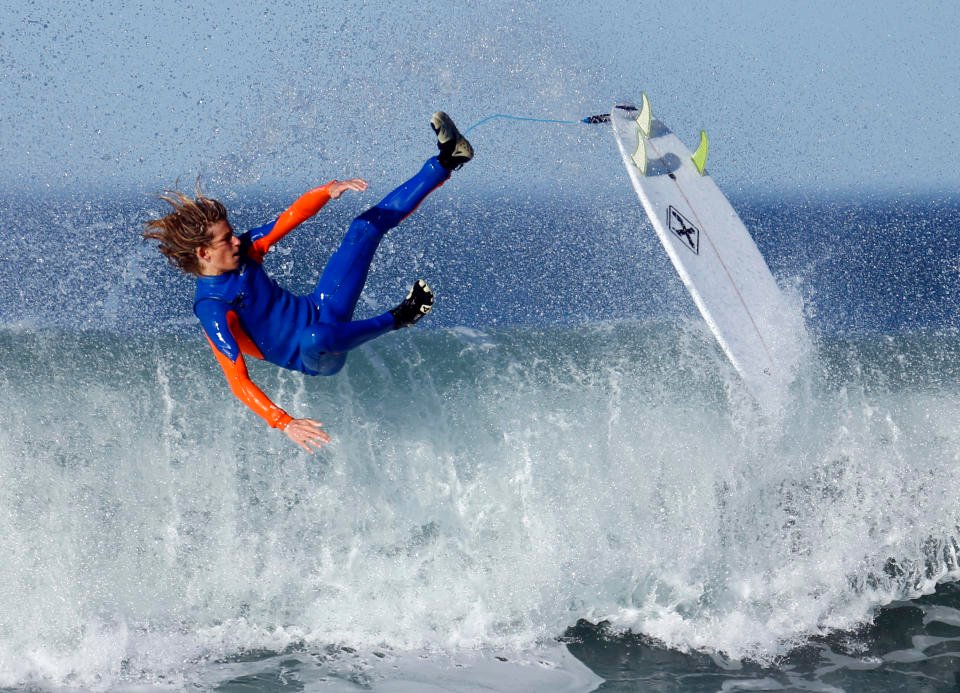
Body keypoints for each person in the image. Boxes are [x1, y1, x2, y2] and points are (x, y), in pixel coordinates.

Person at [143, 112, 473, 452]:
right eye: (226, 239)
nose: (237, 241)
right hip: (314, 354)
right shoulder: (212, 308)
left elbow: (290, 216)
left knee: (363, 228)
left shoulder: (246, 253)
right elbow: (238, 381)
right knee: (317, 336)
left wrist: (327, 191)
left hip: (322, 306)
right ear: (204, 253)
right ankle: (401, 317)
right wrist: (283, 421)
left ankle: (449, 158)